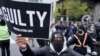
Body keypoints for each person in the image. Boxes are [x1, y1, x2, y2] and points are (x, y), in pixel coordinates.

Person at [16, 31, 83, 56]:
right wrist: (24, 48)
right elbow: (32, 54)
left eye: (60, 39)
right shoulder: (46, 50)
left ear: (63, 40)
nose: (58, 40)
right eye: (56, 39)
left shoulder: (69, 52)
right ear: (52, 40)